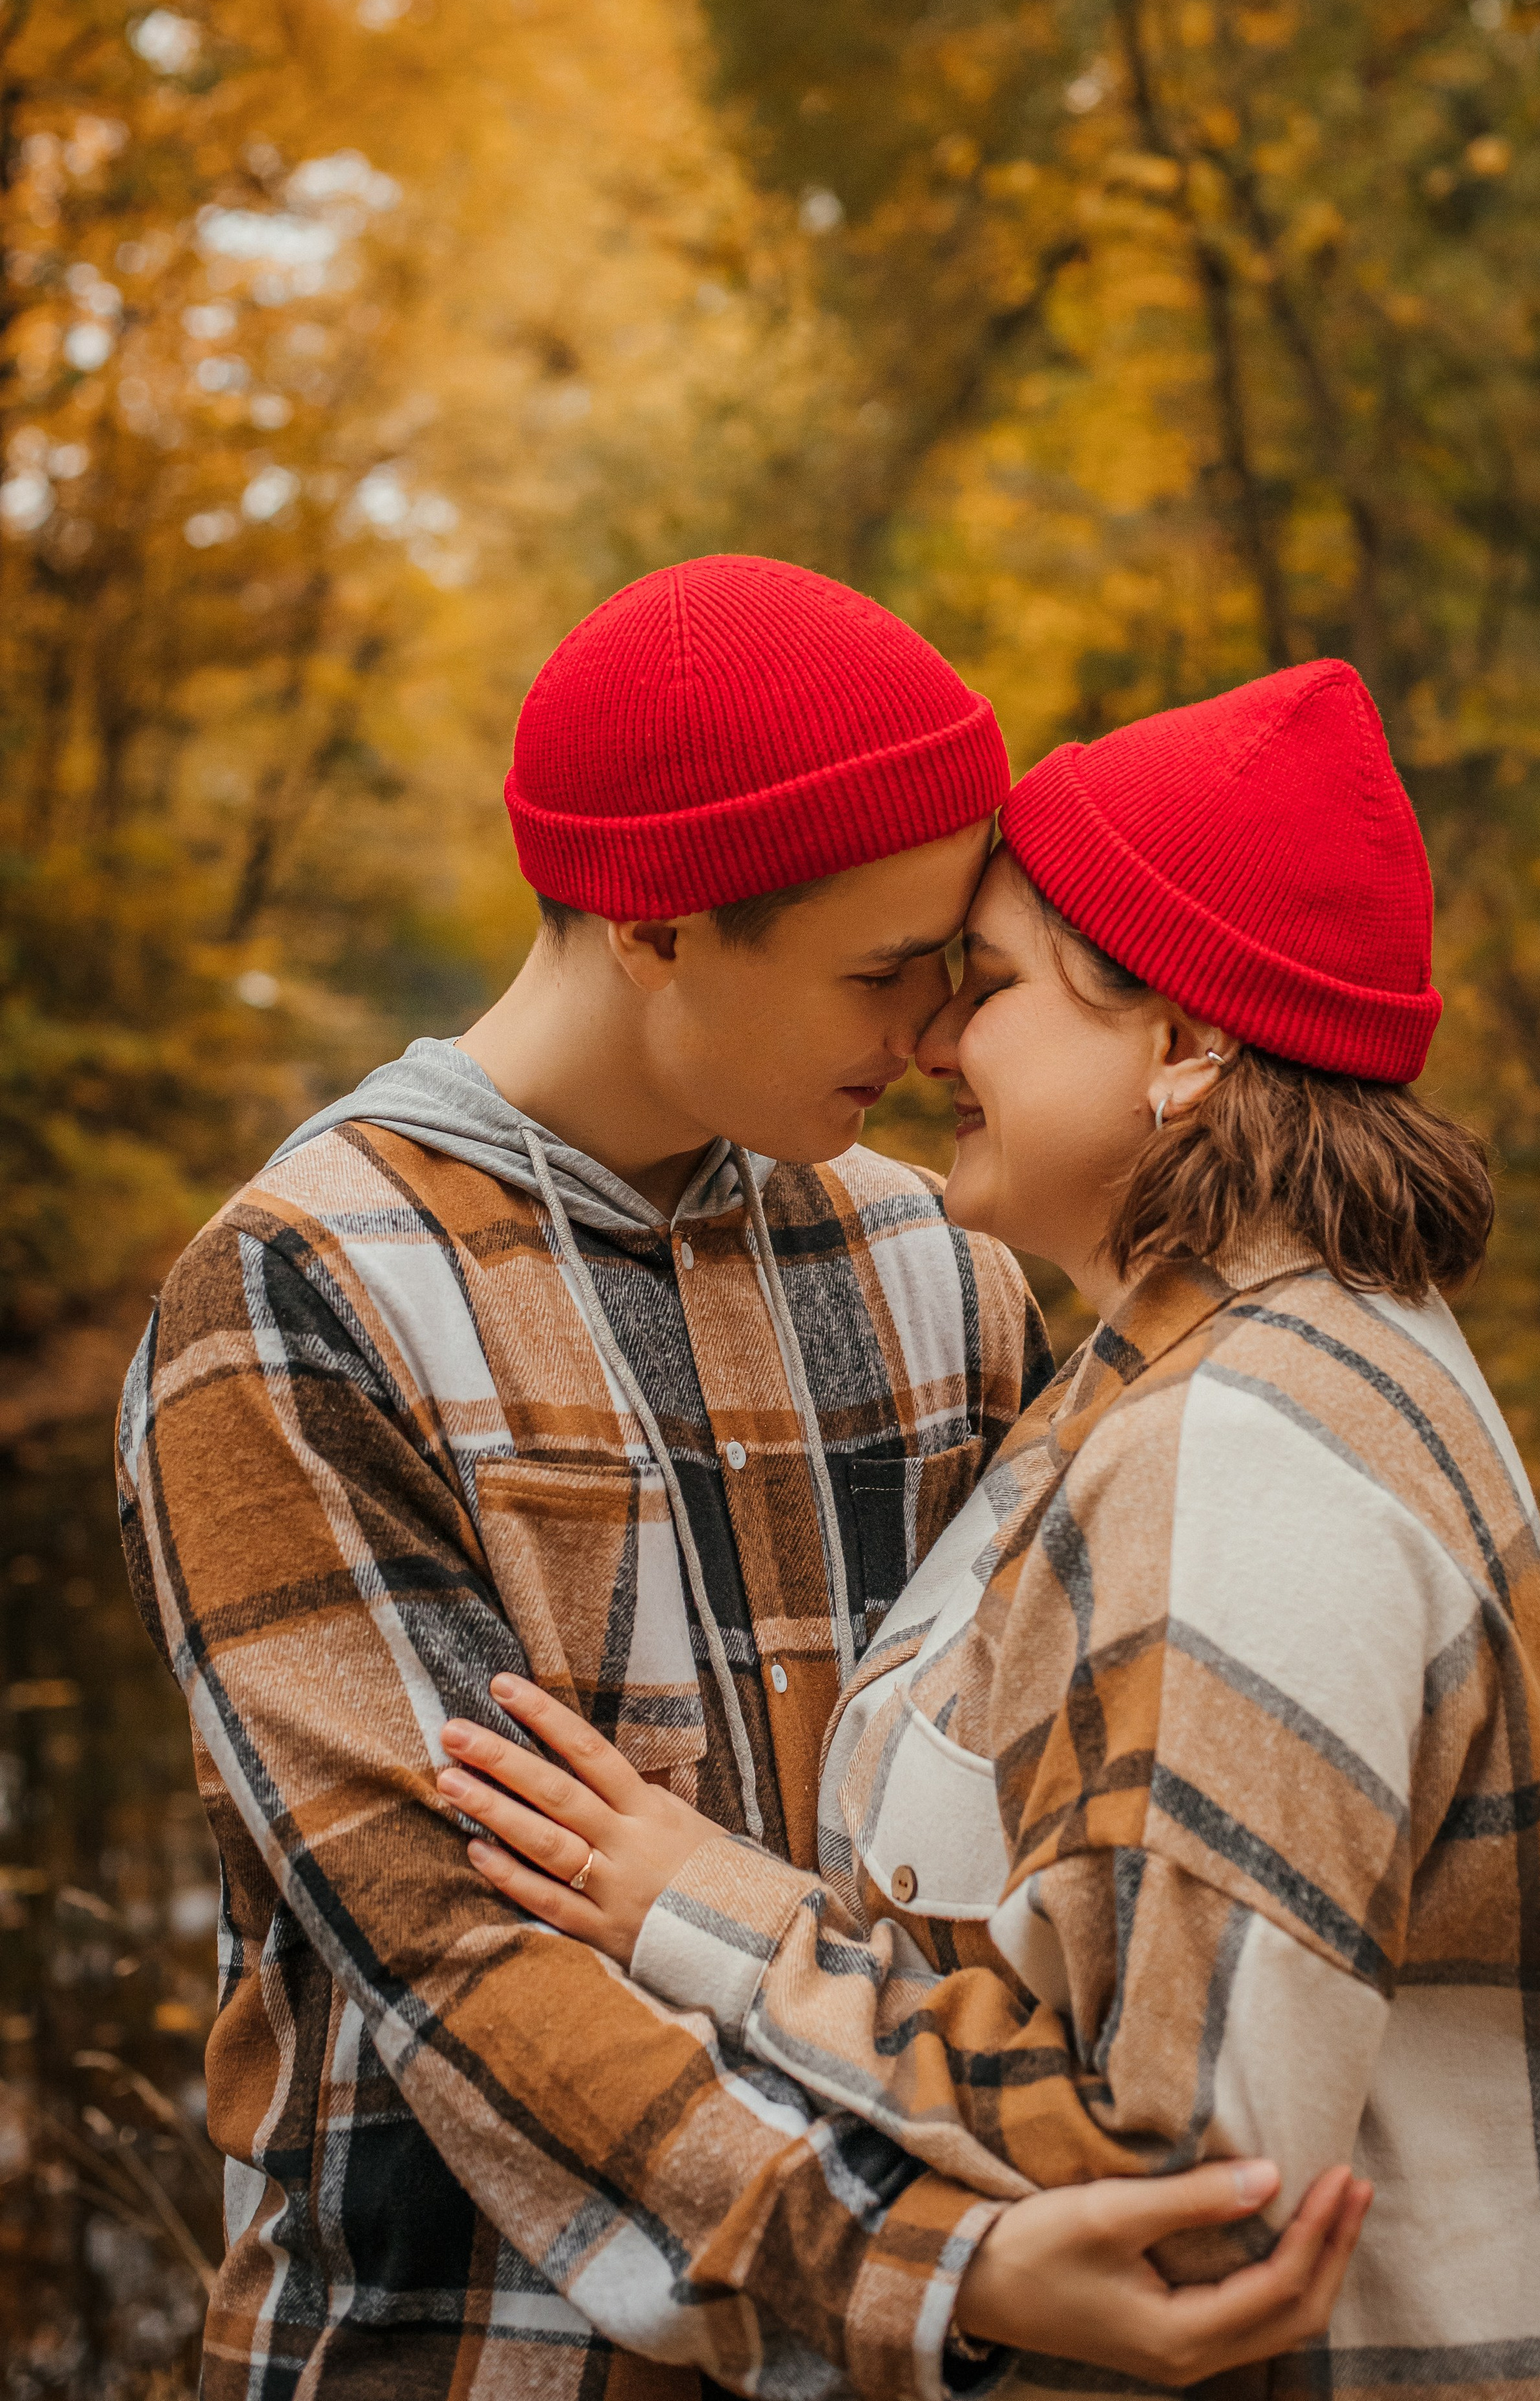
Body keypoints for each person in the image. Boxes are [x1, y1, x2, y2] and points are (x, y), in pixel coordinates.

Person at [117, 559, 1370, 2401]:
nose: (945, 1038)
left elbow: (1120, 1761)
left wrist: (1417, 1986)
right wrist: (941, 2275)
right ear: (655, 928)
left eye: (961, 971)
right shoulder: (303, 1291)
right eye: (887, 975)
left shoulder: (935, 1261)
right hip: (470, 2357)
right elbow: (458, 1961)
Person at [433, 661, 1540, 2399]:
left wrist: (704, 1910)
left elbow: (1184, 2171)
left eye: (985, 988)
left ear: (1187, 1041)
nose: (928, 1040)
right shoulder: (1194, 1372)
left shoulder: (1243, 1451)